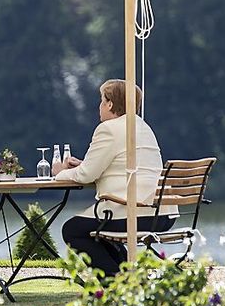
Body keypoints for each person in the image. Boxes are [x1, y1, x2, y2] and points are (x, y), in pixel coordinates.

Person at [53, 79, 176, 278]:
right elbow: (123, 165)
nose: (99, 106)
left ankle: (114, 282)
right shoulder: (143, 127)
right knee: (95, 232)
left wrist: (60, 174)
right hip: (162, 215)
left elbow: (86, 175)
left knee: (73, 229)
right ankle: (125, 279)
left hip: (133, 213)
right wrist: (85, 165)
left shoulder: (108, 129)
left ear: (110, 104)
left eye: (102, 100)